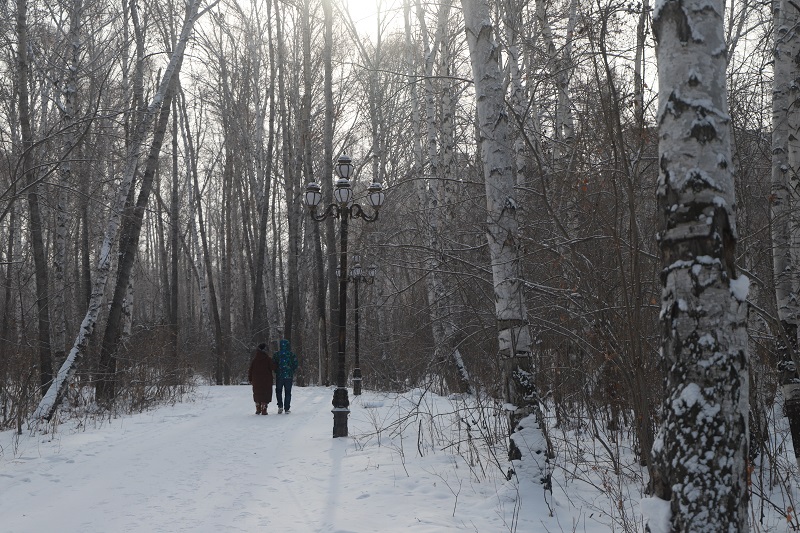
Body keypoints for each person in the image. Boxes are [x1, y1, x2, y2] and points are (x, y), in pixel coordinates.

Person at [248, 343, 276, 415]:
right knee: (265, 394)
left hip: (256, 380)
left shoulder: (255, 360)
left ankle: (258, 407)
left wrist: (250, 378)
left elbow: (250, 370)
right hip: (266, 380)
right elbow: (273, 367)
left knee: (257, 393)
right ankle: (264, 408)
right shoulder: (268, 359)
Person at [273, 338, 299, 413]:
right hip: (288, 376)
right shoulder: (291, 354)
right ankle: (287, 408)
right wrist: (291, 370)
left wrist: (276, 371)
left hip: (279, 376)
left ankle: (280, 406)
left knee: (278, 391)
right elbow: (295, 364)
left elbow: (273, 364)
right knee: (288, 392)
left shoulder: (277, 354)